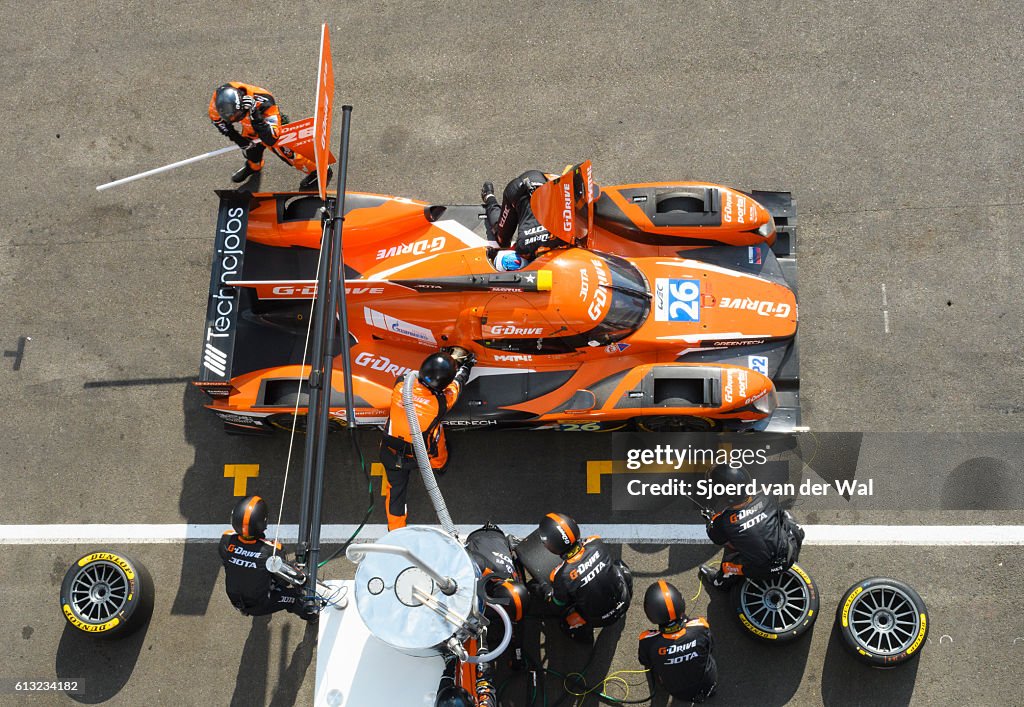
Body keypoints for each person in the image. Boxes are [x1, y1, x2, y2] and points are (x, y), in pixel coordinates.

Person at [379, 349, 475, 530]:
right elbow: (457, 384)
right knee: (436, 436)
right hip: (418, 454)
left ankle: (395, 530)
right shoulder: (440, 404)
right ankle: (439, 465)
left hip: (390, 453)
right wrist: (466, 365)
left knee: (395, 493)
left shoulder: (401, 383)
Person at [698, 464, 805, 589]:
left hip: (762, 571)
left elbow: (718, 539)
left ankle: (719, 582)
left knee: (727, 565)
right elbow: (778, 515)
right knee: (786, 518)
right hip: (789, 555)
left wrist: (709, 520)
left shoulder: (722, 521)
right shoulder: (767, 497)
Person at [209, 82, 328, 189]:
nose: (235, 120)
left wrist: (255, 114)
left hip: (268, 125)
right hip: (249, 126)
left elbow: (271, 138)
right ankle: (254, 166)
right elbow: (218, 121)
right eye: (232, 119)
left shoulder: (265, 101)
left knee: (290, 154)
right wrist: (238, 139)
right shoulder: (218, 101)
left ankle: (319, 170)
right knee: (250, 150)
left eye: (237, 116)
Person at [537, 512, 633, 643]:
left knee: (566, 620)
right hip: (624, 599)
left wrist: (546, 590)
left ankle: (585, 639)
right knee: (619, 566)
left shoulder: (560, 576)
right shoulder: (596, 542)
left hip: (600, 619)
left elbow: (557, 605)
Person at [218, 495, 317, 620]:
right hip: (259, 604)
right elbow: (285, 581)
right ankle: (311, 616)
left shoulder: (226, 540)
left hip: (235, 598)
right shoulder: (272, 550)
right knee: (296, 598)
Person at [638, 580, 717, 703]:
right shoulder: (701, 626)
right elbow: (710, 647)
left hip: (678, 693)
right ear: (681, 603)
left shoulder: (647, 641)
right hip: (709, 685)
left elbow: (645, 661)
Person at [466, 523, 530, 668]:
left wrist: (518, 654)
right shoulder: (480, 566)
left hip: (498, 540)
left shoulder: (515, 582)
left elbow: (518, 622)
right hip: (478, 537)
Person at [481, 171, 574, 267]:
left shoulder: (567, 235)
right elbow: (504, 255)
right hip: (517, 191)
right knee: (502, 241)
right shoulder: (524, 246)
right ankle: (489, 197)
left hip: (541, 181)